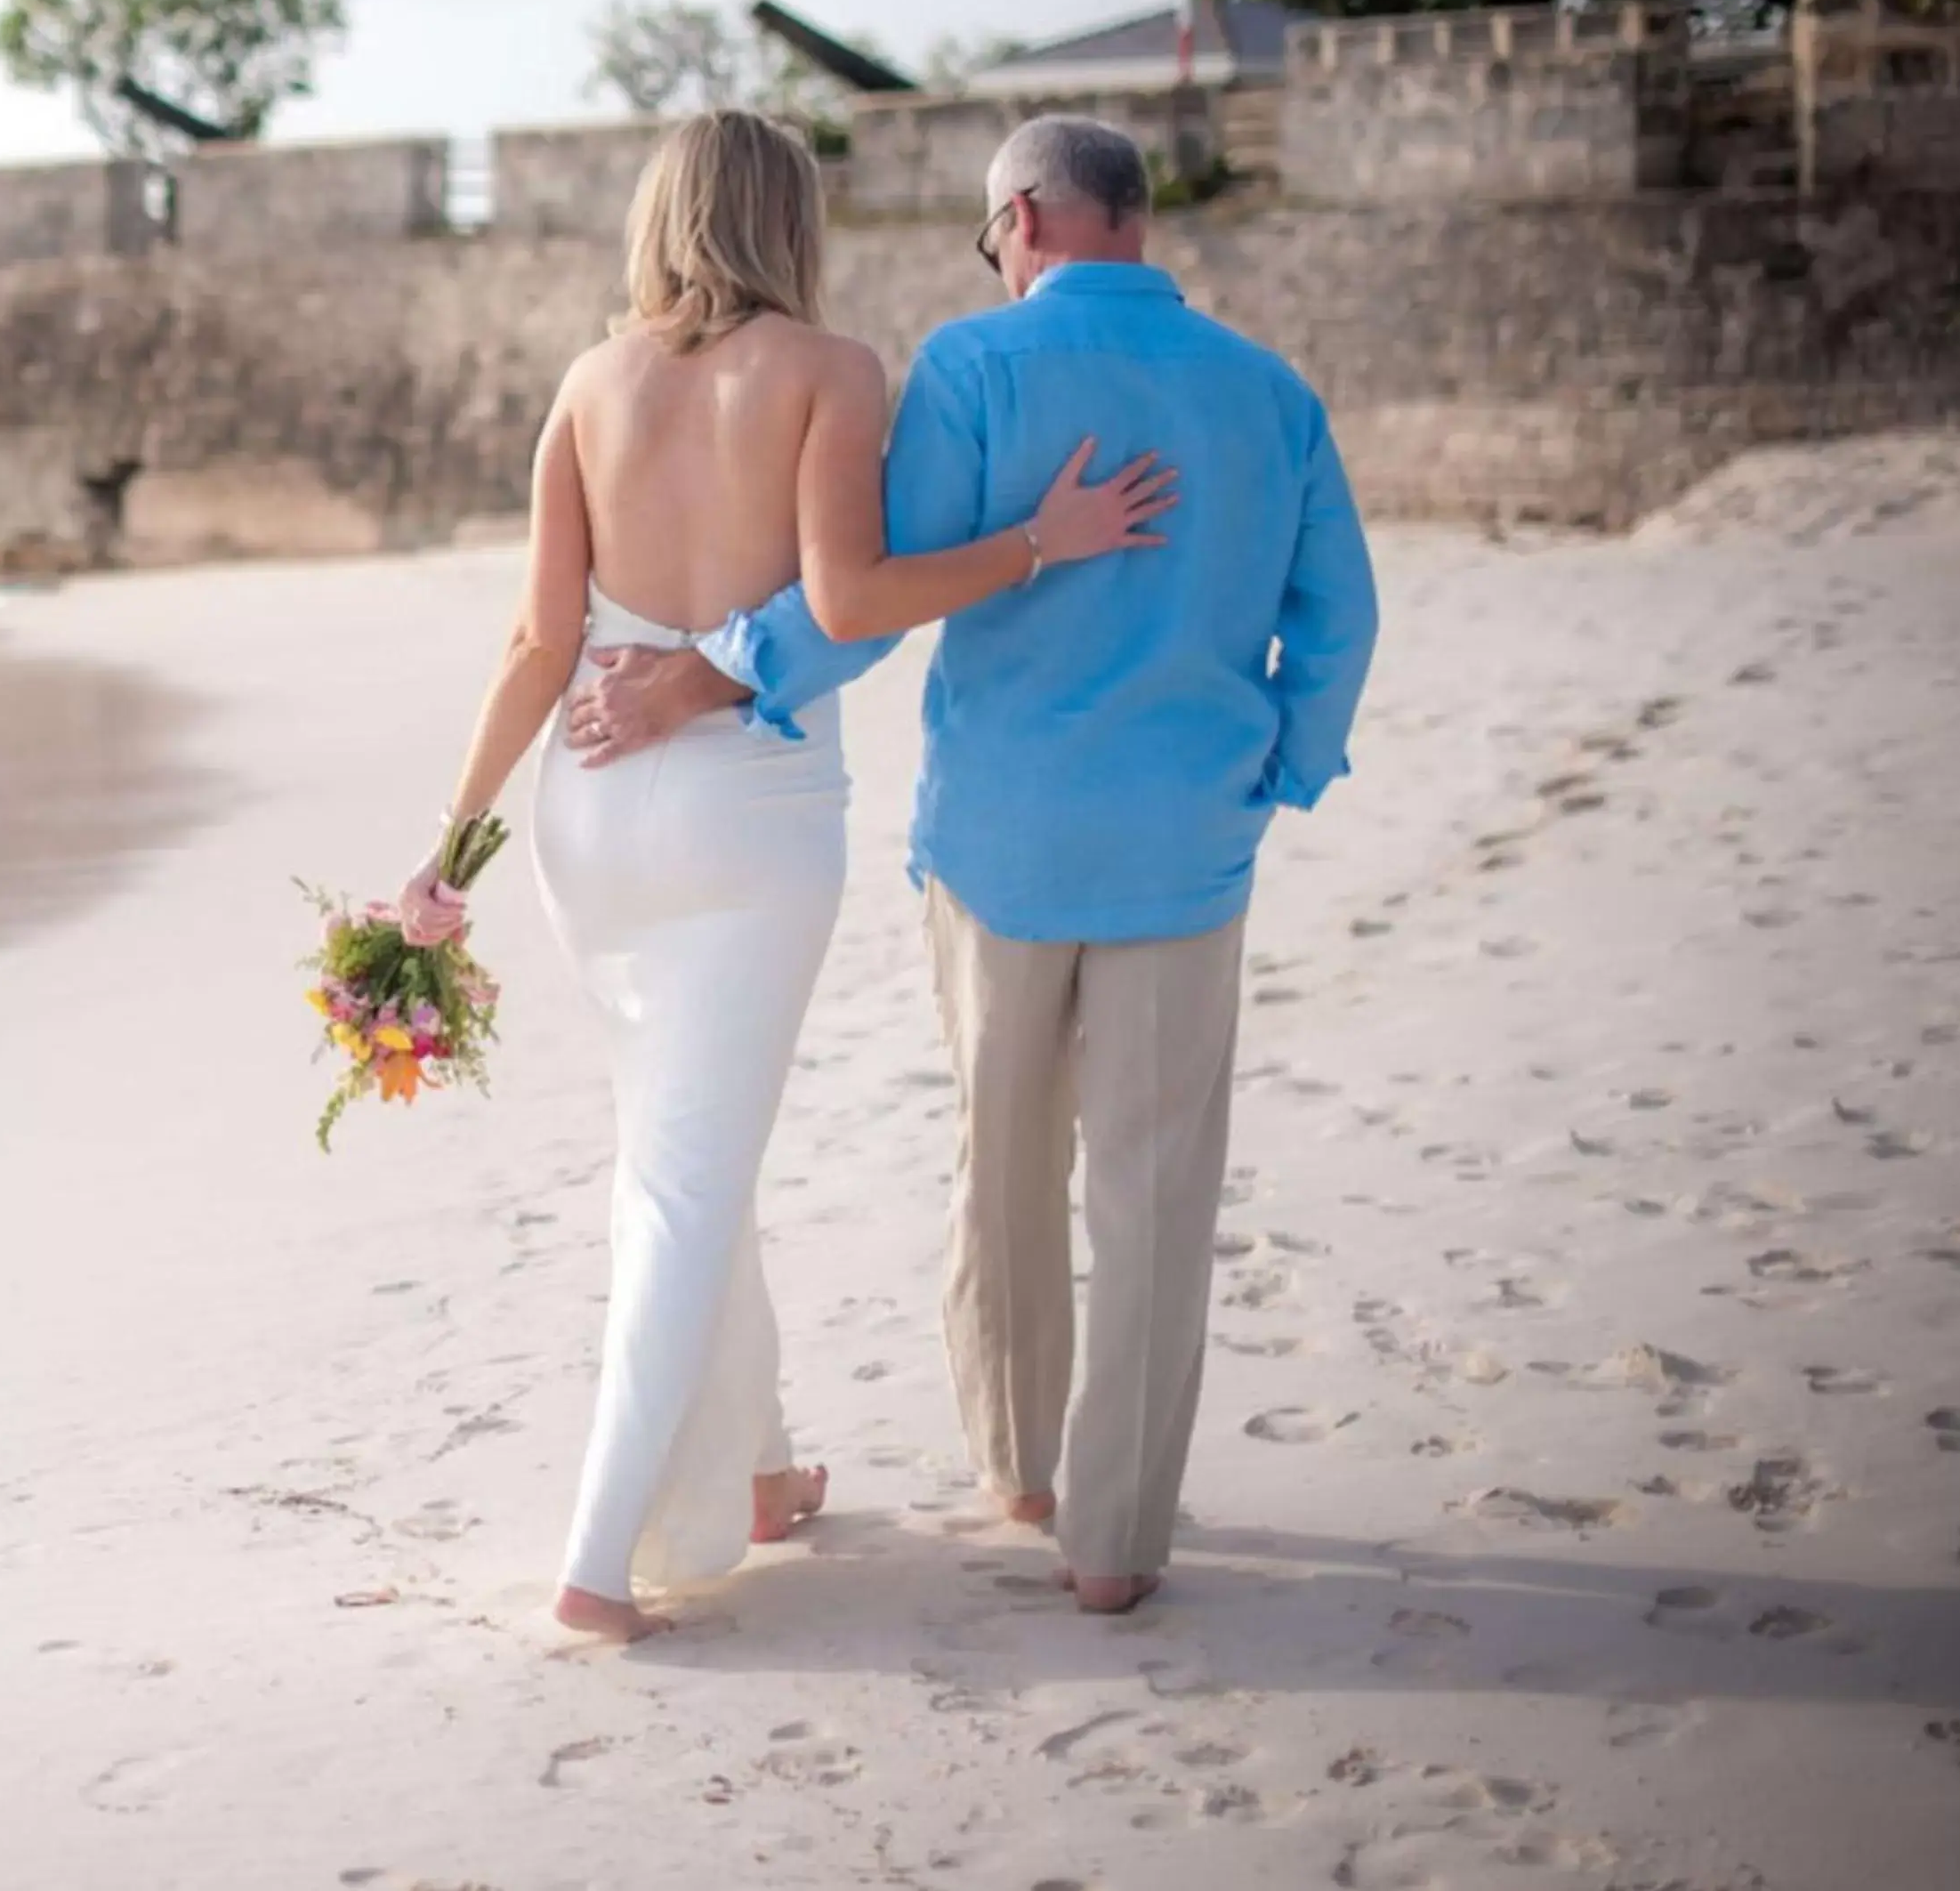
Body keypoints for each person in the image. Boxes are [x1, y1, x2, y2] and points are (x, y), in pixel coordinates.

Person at [561, 113, 1379, 1615]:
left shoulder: (977, 368)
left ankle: (1016, 1465)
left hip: (998, 843)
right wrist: (1282, 768)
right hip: (1188, 850)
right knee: (1154, 1190)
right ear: (1129, 219)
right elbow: (1339, 621)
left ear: (1023, 218)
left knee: (1002, 1162)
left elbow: (862, 590)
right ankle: (1117, 1543)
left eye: (991, 236)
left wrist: (719, 675)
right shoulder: (1271, 395)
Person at [396, 109, 1175, 1643]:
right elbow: (850, 598)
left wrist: (450, 849)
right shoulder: (829, 372)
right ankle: (600, 1557)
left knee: (684, 1143)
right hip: (748, 817)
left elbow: (537, 646)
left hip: (590, 813)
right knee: (684, 1177)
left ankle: (752, 1476)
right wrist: (1041, 541)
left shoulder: (589, 384)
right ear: (785, 219)